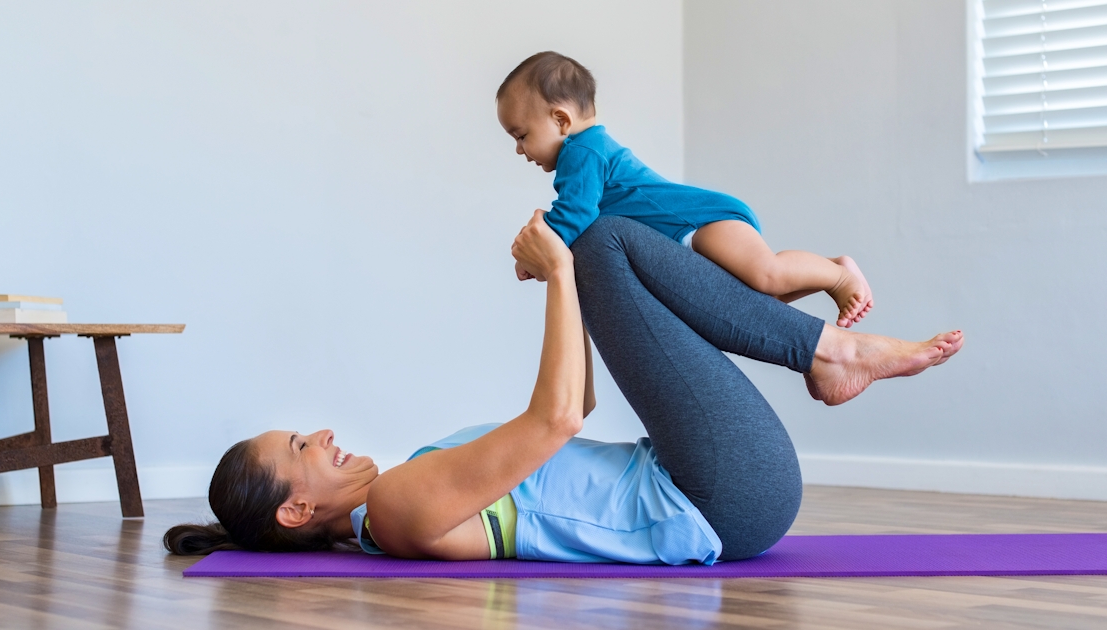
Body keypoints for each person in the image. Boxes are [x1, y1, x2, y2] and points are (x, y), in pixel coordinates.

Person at [165, 212, 962, 564]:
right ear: (296, 509)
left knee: (608, 247)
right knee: (607, 242)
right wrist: (559, 274)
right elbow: (551, 423)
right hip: (719, 500)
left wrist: (566, 281)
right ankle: (829, 352)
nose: (324, 435)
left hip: (712, 486)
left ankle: (825, 352)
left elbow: (572, 409)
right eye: (304, 448)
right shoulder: (401, 506)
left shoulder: (407, 485)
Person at [498, 51, 874, 328]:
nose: (519, 149)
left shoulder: (580, 151)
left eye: (522, 135)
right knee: (759, 300)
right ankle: (825, 299)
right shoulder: (589, 149)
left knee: (767, 275)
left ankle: (838, 273)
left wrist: (535, 256)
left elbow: (575, 212)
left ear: (561, 120)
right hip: (691, 231)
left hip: (701, 220)